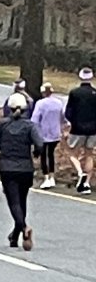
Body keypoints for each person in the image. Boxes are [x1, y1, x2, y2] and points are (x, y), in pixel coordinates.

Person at [0, 93, 44, 250]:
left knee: (14, 202)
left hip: (7, 167)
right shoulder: (29, 125)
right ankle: (15, 235)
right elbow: (40, 144)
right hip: (25, 167)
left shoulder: (3, 125)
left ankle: (23, 228)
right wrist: (35, 153)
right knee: (22, 201)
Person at [65, 67, 96, 195]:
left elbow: (68, 112)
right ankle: (87, 183)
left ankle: (80, 172)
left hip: (77, 128)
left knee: (71, 152)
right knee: (89, 154)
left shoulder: (75, 93)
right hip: (93, 128)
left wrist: (72, 121)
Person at [31, 82, 66, 189]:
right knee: (51, 154)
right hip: (55, 133)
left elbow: (35, 119)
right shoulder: (58, 103)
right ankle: (52, 177)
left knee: (43, 155)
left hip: (43, 133)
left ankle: (46, 177)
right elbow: (62, 117)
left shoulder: (40, 104)